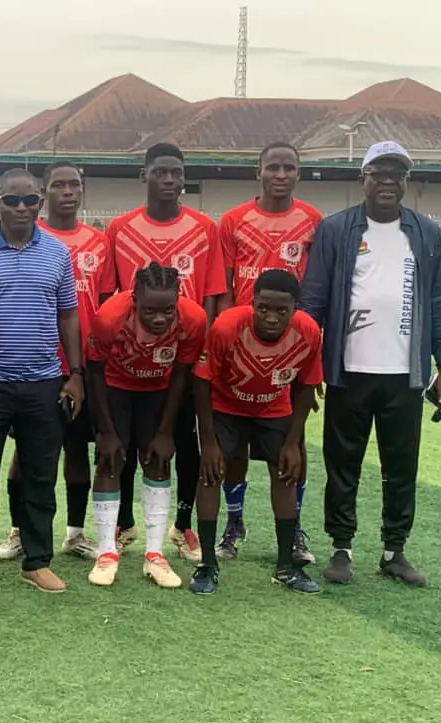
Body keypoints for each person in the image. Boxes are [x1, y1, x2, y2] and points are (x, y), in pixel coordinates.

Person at [299, 141, 441, 587]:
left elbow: (438, 301)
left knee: (401, 465)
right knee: (342, 463)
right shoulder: (336, 229)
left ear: (407, 182)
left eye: (397, 174)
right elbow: (313, 301)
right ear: (363, 178)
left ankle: (394, 551)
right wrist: (308, 368)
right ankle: (341, 548)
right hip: (349, 370)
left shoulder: (425, 232)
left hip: (405, 374)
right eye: (378, 173)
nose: (387, 181)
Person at [0, 168, 84, 594]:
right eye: (12, 201)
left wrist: (76, 374)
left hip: (44, 382)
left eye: (29, 201)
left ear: (40, 203)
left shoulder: (57, 253)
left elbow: (68, 315)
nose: (21, 208)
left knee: (40, 476)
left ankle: (37, 561)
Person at [104, 143, 227, 564]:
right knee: (124, 443)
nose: (170, 180)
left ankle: (183, 525)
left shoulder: (204, 228)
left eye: (176, 172)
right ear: (144, 175)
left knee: (185, 443)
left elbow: (211, 294)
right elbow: (110, 294)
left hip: (184, 357)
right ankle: (123, 523)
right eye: (160, 172)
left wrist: (200, 351)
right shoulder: (120, 228)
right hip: (131, 360)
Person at [0, 161, 111, 563]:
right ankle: (17, 531)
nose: (67, 191)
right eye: (58, 185)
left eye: (74, 185)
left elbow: (106, 304)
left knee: (77, 448)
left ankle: (75, 533)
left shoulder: (99, 242)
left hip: (83, 365)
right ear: (43, 193)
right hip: (36, 364)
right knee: (25, 454)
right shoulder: (29, 236)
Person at [216, 143, 323, 564]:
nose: (281, 174)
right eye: (273, 167)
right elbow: (226, 288)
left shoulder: (313, 220)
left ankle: (293, 531)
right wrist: (227, 343)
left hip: (291, 349)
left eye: (289, 168)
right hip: (241, 345)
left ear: (299, 174)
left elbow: (315, 289)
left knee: (293, 443)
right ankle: (234, 523)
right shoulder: (233, 220)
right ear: (257, 172)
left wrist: (310, 355)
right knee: (235, 446)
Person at [189, 270, 323, 595]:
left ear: (295, 308)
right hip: (226, 408)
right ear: (253, 303)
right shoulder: (226, 327)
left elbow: (307, 386)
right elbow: (202, 381)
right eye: (264, 308)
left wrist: (293, 441)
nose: (271, 317)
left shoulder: (308, 331)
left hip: (274, 408)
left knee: (286, 474)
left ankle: (286, 566)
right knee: (210, 474)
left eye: (282, 310)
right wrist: (208, 442)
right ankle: (207, 564)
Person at [85, 262, 206, 587]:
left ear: (178, 300)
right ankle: (106, 553)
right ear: (134, 299)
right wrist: (106, 431)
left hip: (159, 389)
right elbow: (94, 371)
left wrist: (166, 431)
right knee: (110, 460)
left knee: (158, 459)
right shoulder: (110, 317)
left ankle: (155, 554)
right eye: (150, 310)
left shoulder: (194, 319)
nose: (160, 318)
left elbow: (181, 375)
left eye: (167, 310)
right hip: (115, 386)